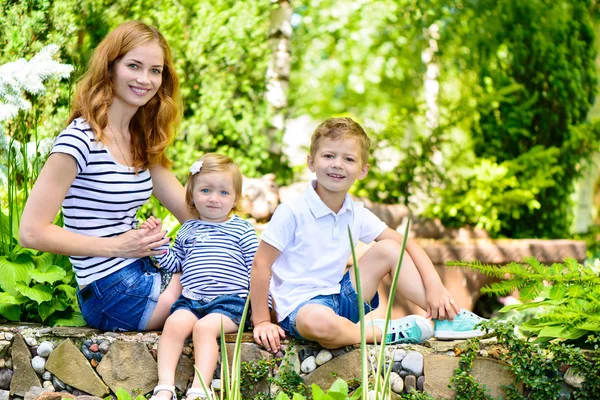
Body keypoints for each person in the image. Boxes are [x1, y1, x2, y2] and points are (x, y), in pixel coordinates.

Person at [250, 117, 486, 352]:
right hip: (301, 310)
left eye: (349, 159)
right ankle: (384, 333)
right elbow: (261, 265)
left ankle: (447, 317)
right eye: (329, 156)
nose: (338, 164)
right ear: (311, 162)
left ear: (362, 171)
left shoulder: (356, 213)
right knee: (318, 322)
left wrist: (435, 286)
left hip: (341, 297)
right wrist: (261, 321)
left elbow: (407, 244)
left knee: (390, 249)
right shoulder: (292, 211)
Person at [19, 21, 194, 332]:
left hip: (142, 272)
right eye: (134, 66)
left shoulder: (142, 139)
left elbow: (191, 213)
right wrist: (118, 246)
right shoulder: (79, 141)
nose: (145, 79)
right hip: (111, 294)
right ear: (110, 68)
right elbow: (32, 232)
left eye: (155, 70)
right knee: (219, 293)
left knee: (228, 279)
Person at [143, 153, 259, 400]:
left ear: (236, 198)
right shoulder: (188, 229)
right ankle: (165, 386)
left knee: (204, 329)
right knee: (174, 323)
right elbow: (175, 263)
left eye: (223, 193)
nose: (214, 198)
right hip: (193, 299)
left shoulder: (242, 229)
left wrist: (263, 308)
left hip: (230, 303)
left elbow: (257, 269)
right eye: (205, 190)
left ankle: (199, 389)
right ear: (192, 195)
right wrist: (158, 245)